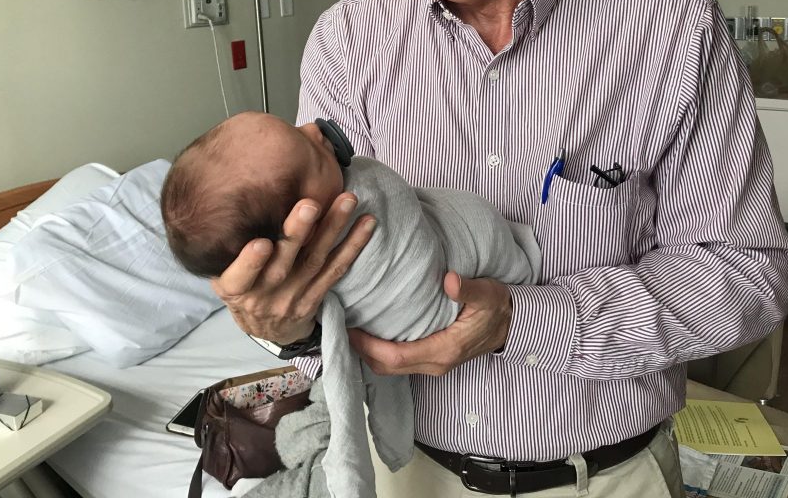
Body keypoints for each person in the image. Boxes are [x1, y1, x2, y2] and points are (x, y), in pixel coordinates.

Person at [211, 0, 788, 496]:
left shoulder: (669, 30)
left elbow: (748, 272)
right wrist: (286, 320)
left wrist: (525, 320)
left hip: (607, 478)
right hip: (409, 475)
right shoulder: (348, 43)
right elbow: (329, 291)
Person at [161, 111, 541, 496]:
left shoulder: (321, 177)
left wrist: (519, 317)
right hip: (412, 466)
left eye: (297, 131)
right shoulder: (337, 57)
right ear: (299, 233)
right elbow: (329, 350)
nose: (314, 128)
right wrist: (294, 333)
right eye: (310, 151)